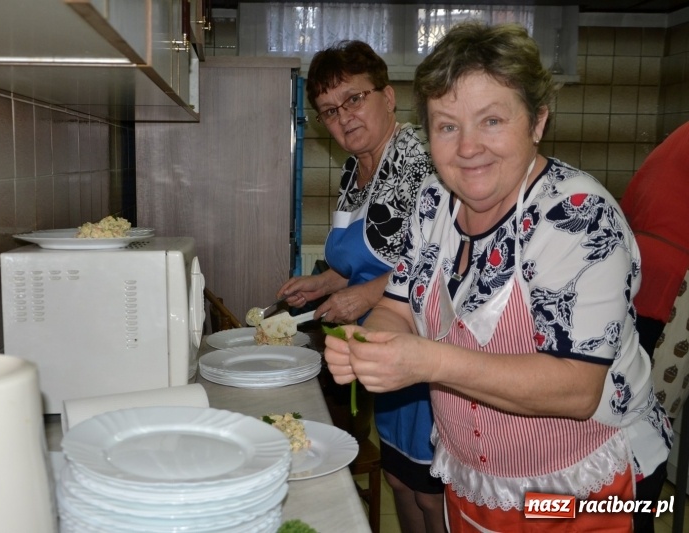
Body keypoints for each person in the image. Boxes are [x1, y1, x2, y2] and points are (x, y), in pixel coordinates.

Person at [323, 22, 673, 532]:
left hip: (585, 487)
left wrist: (425, 360)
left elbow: (577, 388)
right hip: (476, 479)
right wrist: (372, 342)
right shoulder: (432, 203)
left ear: (537, 121)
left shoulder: (576, 215)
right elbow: (398, 304)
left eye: (491, 120)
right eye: (447, 126)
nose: (467, 149)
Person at [277, 41, 446, 533]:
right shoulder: (355, 169)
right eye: (330, 110)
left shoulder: (422, 160)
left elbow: (436, 260)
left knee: (429, 489)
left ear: (388, 97)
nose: (344, 117)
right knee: (398, 478)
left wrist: (367, 296)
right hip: (379, 351)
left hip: (424, 342)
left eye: (354, 99)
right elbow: (370, 257)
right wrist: (322, 283)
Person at [620, 121, 689, 532]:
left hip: (637, 274)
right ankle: (635, 519)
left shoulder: (680, 135)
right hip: (673, 285)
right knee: (650, 416)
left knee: (633, 409)